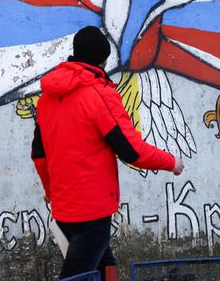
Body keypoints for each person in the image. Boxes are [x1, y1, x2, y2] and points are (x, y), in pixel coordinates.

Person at [31, 26, 184, 280]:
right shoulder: (99, 95)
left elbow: (39, 156)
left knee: (105, 268)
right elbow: (132, 150)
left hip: (64, 210)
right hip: (92, 212)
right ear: (103, 60)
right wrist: (172, 162)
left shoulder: (47, 100)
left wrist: (50, 192)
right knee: (77, 276)